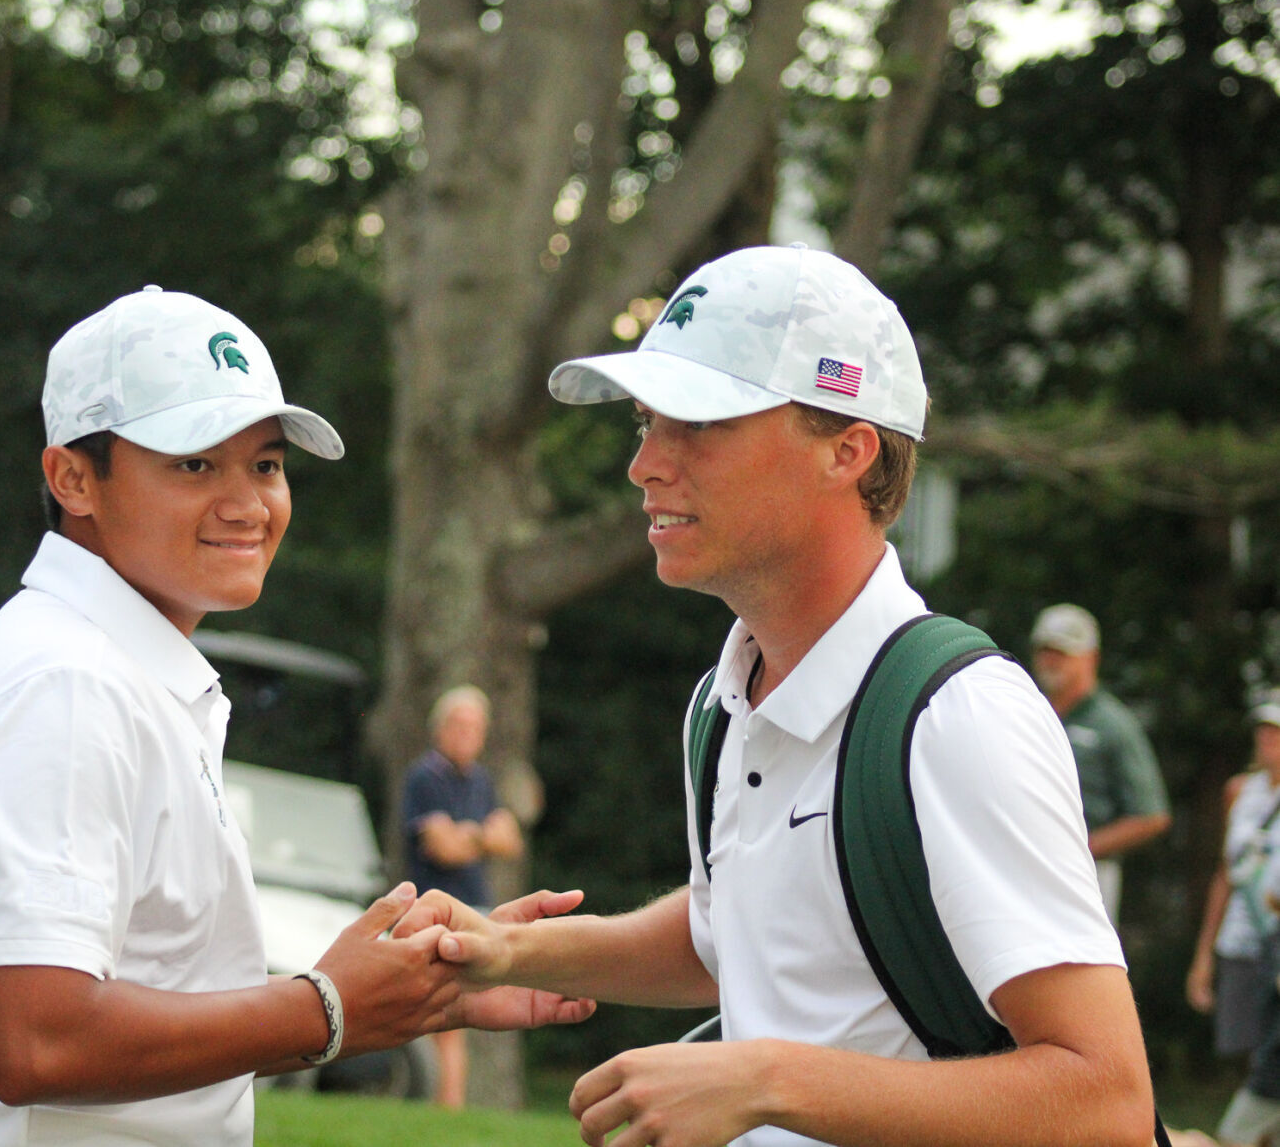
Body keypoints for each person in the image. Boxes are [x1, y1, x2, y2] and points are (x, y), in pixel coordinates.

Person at [395, 244, 1152, 1146]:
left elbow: (1104, 1099)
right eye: (644, 421)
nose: (644, 464)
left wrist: (765, 1079)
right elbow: (743, 934)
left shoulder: (956, 717)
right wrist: (509, 951)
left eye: (698, 424)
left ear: (847, 450)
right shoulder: (722, 702)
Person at [0, 287, 592, 1146]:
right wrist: (327, 1007)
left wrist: (404, 988)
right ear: (72, 478)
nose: (248, 503)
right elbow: (35, 1039)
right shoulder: (67, 684)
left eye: (266, 464)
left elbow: (133, 1012)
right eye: (195, 464)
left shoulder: (106, 664)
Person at [401, 683, 523, 1107]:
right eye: (459, 724)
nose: (466, 734)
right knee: (443, 1018)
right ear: (440, 728)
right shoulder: (425, 777)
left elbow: (510, 841)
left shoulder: (480, 781)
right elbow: (443, 848)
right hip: (436, 911)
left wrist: (469, 835)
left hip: (474, 907)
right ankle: (442, 1108)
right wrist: (479, 836)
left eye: (475, 727)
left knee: (455, 1020)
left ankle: (445, 1110)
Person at [1031, 602, 1172, 922]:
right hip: (1029, 864)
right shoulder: (1031, 712)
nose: (1050, 660)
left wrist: (1077, 848)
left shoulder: (1113, 723)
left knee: (1079, 964)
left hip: (1088, 871)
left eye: (1062, 651)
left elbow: (1152, 815)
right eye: (1044, 650)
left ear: (1091, 657)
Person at [1191, 703, 1280, 1147]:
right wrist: (1203, 955)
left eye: (1276, 733)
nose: (1267, 741)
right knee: (1250, 1053)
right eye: (1263, 731)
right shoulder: (1240, 791)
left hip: (1277, 944)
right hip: (1243, 940)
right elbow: (1226, 875)